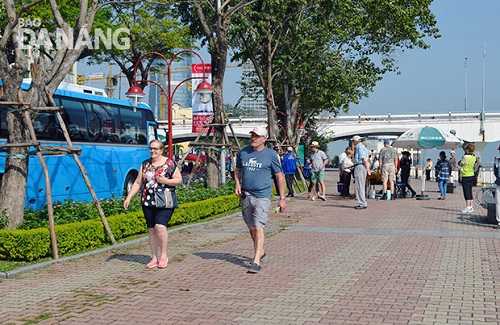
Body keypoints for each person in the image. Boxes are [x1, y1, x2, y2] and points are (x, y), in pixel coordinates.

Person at [123, 139, 182, 269]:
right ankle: (154, 257)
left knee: (160, 227)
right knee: (151, 229)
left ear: (161, 150)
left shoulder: (170, 164)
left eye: (155, 149)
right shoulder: (145, 164)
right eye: (151, 148)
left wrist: (166, 180)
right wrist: (129, 197)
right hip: (148, 200)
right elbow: (138, 182)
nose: (153, 151)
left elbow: (178, 180)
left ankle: (164, 255)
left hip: (165, 201)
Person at [235, 126, 286, 274]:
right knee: (251, 228)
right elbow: (238, 170)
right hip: (246, 194)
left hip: (262, 195)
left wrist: (282, 199)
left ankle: (256, 261)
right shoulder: (243, 152)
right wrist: (237, 184)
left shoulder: (271, 155)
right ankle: (260, 250)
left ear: (264, 139)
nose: (253, 138)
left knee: (259, 227)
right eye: (252, 135)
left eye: (257, 136)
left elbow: (279, 176)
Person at [352, 135, 371, 209]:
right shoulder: (362, 147)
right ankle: (362, 202)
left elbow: (364, 159)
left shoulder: (360, 148)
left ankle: (362, 203)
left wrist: (368, 169)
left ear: (355, 141)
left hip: (360, 166)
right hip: (360, 166)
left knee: (359, 185)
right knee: (361, 185)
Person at [458, 143, 476, 213]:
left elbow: (460, 164)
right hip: (471, 174)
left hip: (465, 175)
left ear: (468, 149)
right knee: (470, 190)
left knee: (466, 191)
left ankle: (468, 206)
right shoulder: (473, 157)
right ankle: (471, 206)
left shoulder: (465, 157)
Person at [493, 148, 500, 229]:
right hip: (498, 184)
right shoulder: (497, 162)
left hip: (499, 183)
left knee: (498, 203)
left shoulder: (497, 162)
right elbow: (495, 172)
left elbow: (496, 173)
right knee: (498, 203)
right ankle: (499, 221)